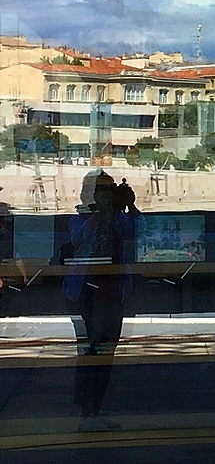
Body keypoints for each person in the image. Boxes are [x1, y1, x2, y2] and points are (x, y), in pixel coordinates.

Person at [63, 170, 142, 432]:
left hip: (113, 291)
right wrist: (104, 213)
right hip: (86, 292)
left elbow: (139, 231)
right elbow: (78, 239)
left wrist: (129, 206)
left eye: (110, 190)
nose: (107, 196)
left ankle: (98, 408)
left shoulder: (119, 218)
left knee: (107, 351)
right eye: (102, 190)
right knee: (90, 352)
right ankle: (87, 412)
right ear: (92, 194)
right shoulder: (82, 218)